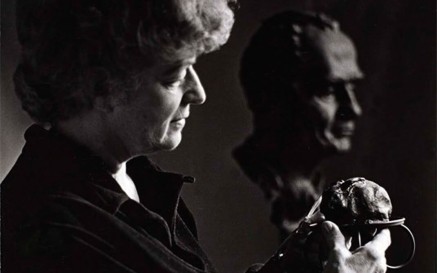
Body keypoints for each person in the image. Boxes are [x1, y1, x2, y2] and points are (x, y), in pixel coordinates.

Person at [2, 2, 389, 273]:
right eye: (174, 75)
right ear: (100, 84)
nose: (199, 93)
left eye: (195, 66)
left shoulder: (143, 182)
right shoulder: (50, 232)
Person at [234, 10, 364, 237]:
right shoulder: (226, 197)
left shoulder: (325, 198)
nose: (353, 109)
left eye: (352, 87)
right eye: (328, 90)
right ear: (273, 97)